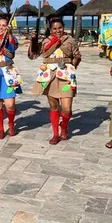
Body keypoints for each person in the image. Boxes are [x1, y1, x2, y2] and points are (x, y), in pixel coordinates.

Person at [28, 16, 82, 145]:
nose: (58, 30)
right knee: (54, 106)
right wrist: (34, 40)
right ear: (50, 29)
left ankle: (64, 127)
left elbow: (77, 56)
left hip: (65, 76)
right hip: (50, 75)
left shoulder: (70, 40)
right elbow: (33, 54)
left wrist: (72, 66)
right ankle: (55, 134)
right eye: (55, 28)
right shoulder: (46, 41)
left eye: (60, 28)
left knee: (67, 108)